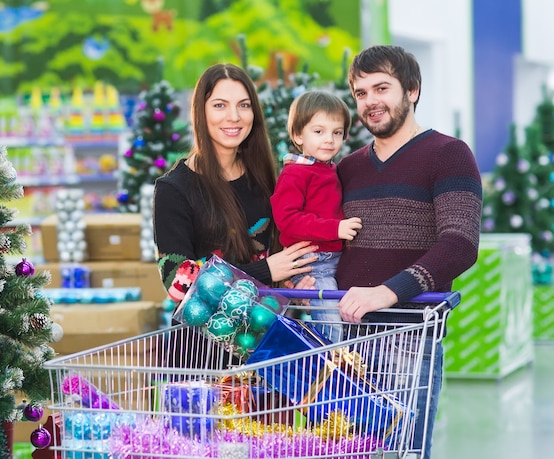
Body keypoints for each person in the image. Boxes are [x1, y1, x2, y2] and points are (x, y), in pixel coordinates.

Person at [335, 45, 482, 459]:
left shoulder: (449, 154)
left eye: (381, 88)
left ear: (412, 90)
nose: (370, 102)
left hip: (408, 340)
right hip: (343, 339)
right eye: (360, 93)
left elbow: (460, 243)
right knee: (339, 450)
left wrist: (387, 292)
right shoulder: (347, 168)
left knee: (400, 452)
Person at [153, 62, 317, 311]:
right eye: (220, 105)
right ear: (201, 112)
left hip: (265, 337)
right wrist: (266, 270)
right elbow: (178, 283)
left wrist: (292, 286)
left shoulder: (264, 178)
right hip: (202, 345)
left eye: (244, 105)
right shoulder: (174, 189)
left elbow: (281, 252)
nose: (234, 116)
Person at [270, 89, 362, 343]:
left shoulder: (330, 169)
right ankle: (329, 373)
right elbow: (287, 220)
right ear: (298, 135)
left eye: (337, 133)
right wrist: (336, 229)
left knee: (348, 318)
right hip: (315, 262)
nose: (329, 140)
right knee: (330, 325)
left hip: (336, 260)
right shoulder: (295, 174)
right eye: (318, 131)